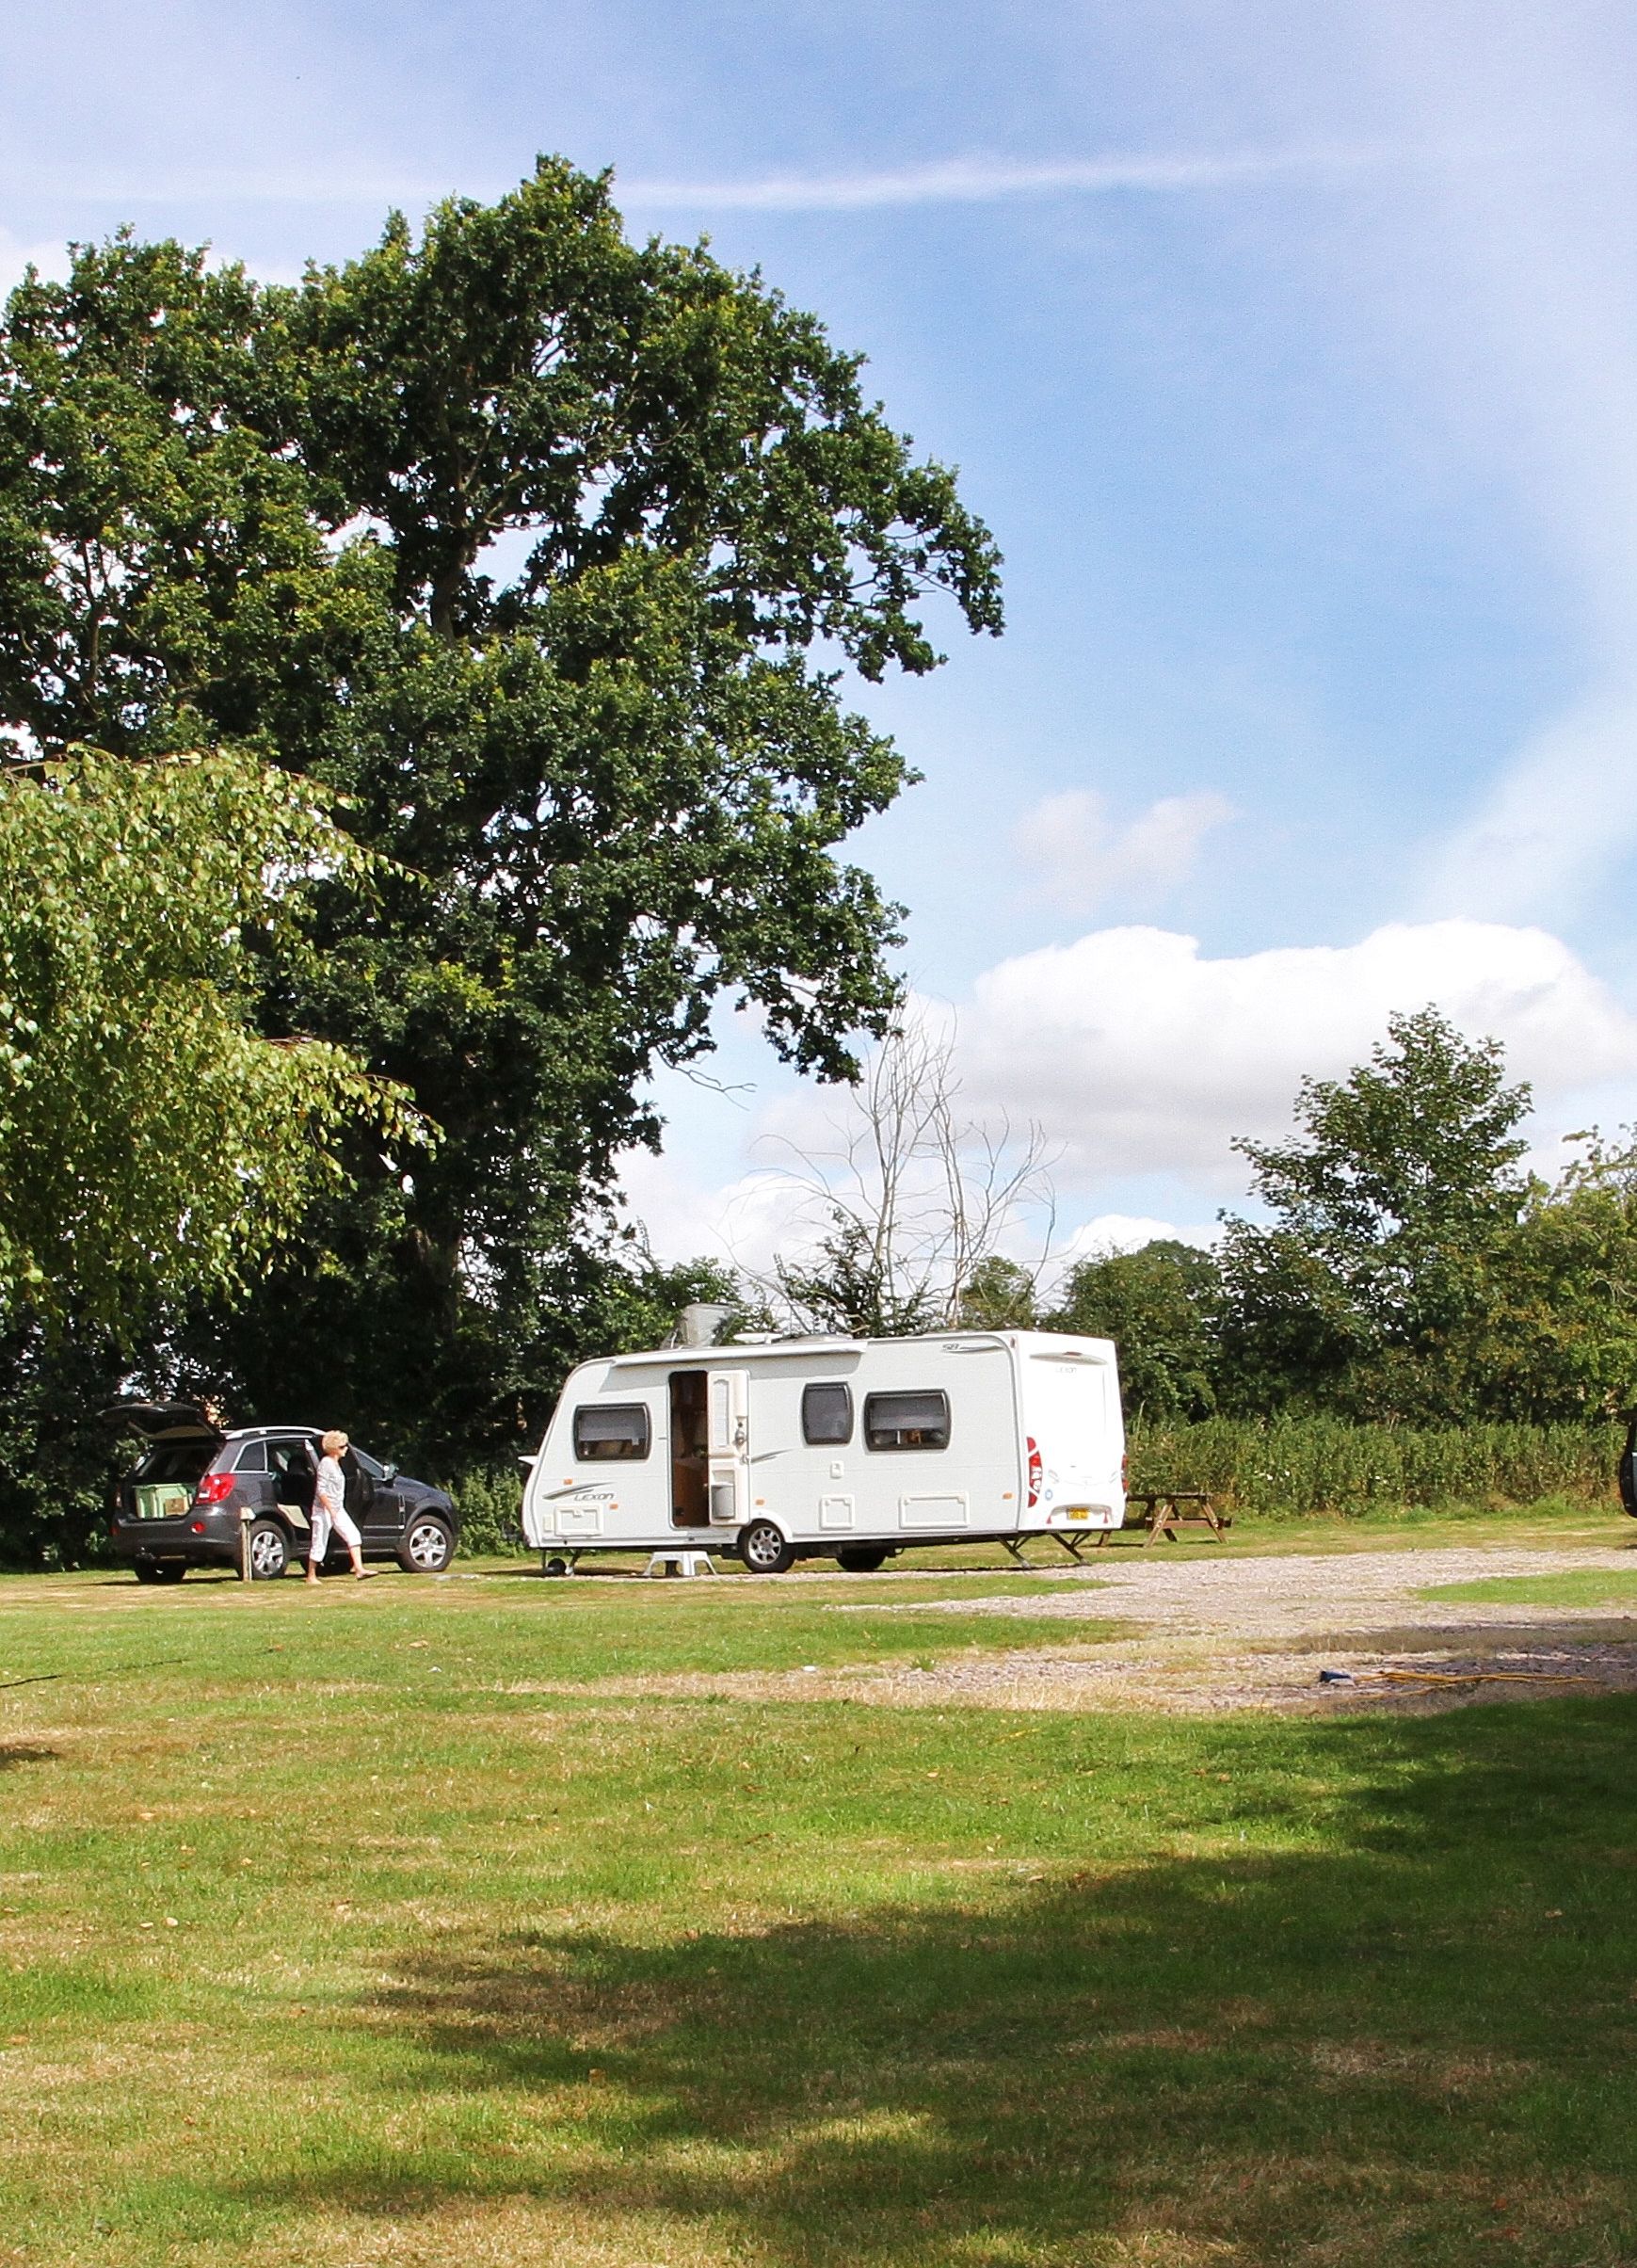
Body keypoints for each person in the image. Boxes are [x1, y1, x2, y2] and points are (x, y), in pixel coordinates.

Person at [306, 1429, 375, 1584]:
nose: (346, 1449)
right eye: (343, 1446)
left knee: (353, 1534)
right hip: (324, 1509)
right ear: (334, 1448)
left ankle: (359, 1569)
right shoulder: (326, 1464)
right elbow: (321, 1490)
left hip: (337, 1508)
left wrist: (336, 1509)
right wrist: (329, 1509)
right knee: (319, 1540)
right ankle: (311, 1575)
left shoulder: (336, 1464)